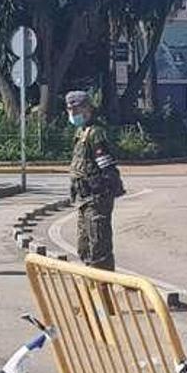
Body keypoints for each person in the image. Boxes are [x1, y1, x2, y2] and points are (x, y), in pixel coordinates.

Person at [67, 90, 124, 271]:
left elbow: (105, 164)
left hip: (96, 197)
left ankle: (104, 287)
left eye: (76, 110)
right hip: (82, 198)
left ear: (88, 109)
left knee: (99, 246)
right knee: (83, 247)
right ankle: (92, 281)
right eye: (70, 110)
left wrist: (106, 187)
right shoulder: (80, 132)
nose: (73, 114)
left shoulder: (96, 133)